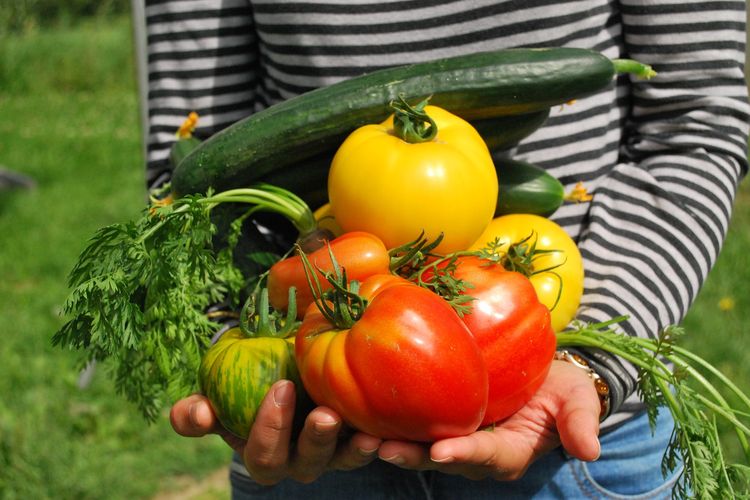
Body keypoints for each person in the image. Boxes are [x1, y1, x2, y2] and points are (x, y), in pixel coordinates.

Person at [144, 1, 749, 497]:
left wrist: (592, 363)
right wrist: (237, 348)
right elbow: (190, 172)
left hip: (577, 434)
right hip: (309, 414)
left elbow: (696, 125)